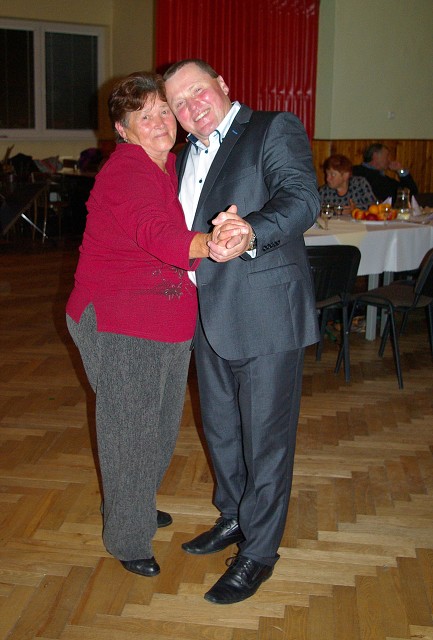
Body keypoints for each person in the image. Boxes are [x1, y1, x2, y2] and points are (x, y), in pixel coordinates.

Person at [65, 71, 246, 579]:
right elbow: (157, 234)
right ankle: (127, 535)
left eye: (163, 110)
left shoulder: (167, 166)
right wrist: (209, 244)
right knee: (130, 432)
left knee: (159, 427)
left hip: (163, 317)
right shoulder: (127, 170)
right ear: (124, 131)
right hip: (122, 318)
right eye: (143, 116)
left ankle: (134, 501)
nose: (160, 121)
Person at [164, 59, 320, 604]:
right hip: (206, 313)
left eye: (198, 91)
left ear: (223, 86)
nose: (192, 107)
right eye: (179, 103)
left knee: (266, 441)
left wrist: (251, 231)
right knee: (223, 430)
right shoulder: (183, 156)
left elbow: (302, 198)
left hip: (265, 314)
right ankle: (233, 515)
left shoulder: (272, 128)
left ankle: (259, 552)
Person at [352, 143, 418, 203]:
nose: (389, 160)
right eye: (387, 156)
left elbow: (412, 192)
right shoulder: (356, 172)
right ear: (375, 156)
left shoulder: (384, 179)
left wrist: (400, 170)